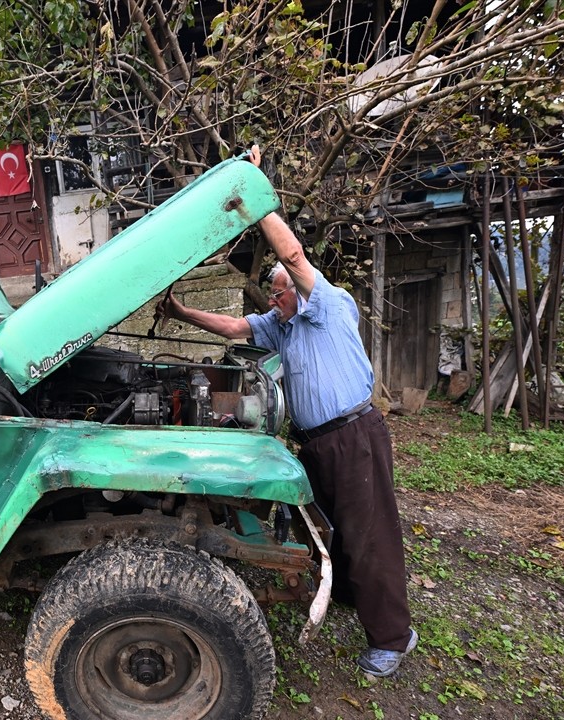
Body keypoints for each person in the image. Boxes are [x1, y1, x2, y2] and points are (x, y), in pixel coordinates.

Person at [158, 145, 416, 677]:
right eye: (272, 294)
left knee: (371, 533)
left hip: (354, 433)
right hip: (318, 440)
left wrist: (255, 198)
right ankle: (348, 594)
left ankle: (393, 636)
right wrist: (179, 310)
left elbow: (294, 259)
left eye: (279, 292)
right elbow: (233, 328)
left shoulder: (327, 304)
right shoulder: (282, 323)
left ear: (298, 289)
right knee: (329, 525)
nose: (273, 300)